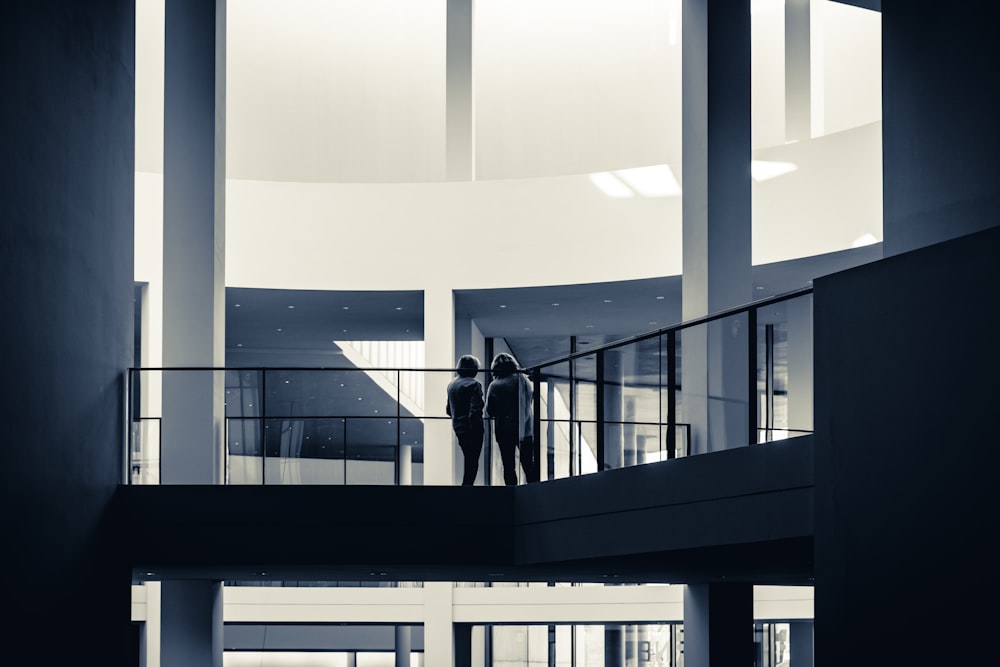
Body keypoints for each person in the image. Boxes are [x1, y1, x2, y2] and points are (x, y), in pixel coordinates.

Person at [485, 352, 537, 485]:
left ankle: (511, 494)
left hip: (504, 429)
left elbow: (490, 411)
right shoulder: (524, 381)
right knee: (528, 464)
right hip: (526, 428)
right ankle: (534, 491)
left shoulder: (495, 385)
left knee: (508, 465)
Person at [446, 355, 486, 486]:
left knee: (468, 458)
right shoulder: (474, 384)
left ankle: (466, 487)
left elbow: (448, 410)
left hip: (458, 426)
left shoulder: (452, 384)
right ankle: (467, 488)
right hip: (473, 428)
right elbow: (475, 410)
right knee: (473, 460)